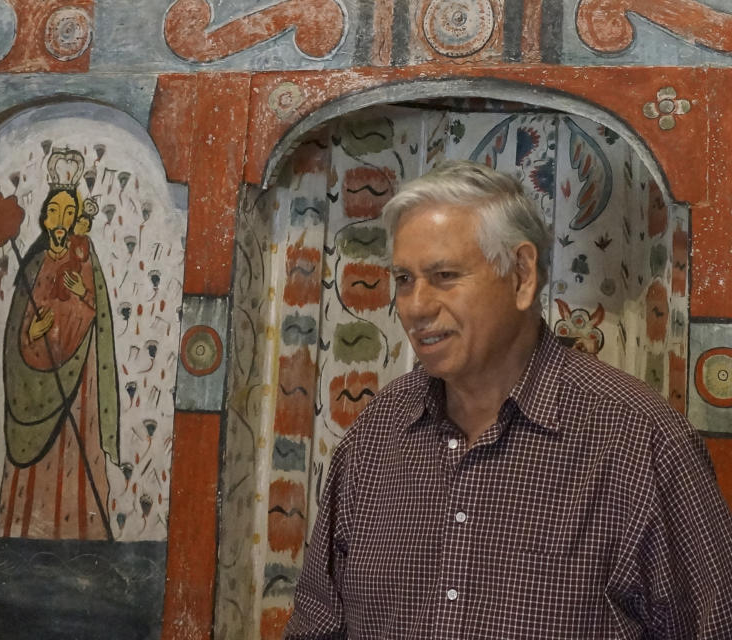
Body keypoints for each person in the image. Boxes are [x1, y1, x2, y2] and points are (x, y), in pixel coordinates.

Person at [285, 160, 732, 638]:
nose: (416, 307)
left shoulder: (639, 441)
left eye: (444, 275)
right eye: (405, 280)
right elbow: (317, 622)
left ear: (520, 275)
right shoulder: (377, 434)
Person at [0, 148, 120, 540]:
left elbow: (96, 314)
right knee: (36, 469)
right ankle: (23, 531)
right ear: (45, 217)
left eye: (70, 213)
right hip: (35, 382)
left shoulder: (85, 257)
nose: (63, 221)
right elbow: (18, 327)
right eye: (57, 212)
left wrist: (83, 294)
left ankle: (83, 532)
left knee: (75, 453)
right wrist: (33, 332)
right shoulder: (32, 264)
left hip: (76, 380)